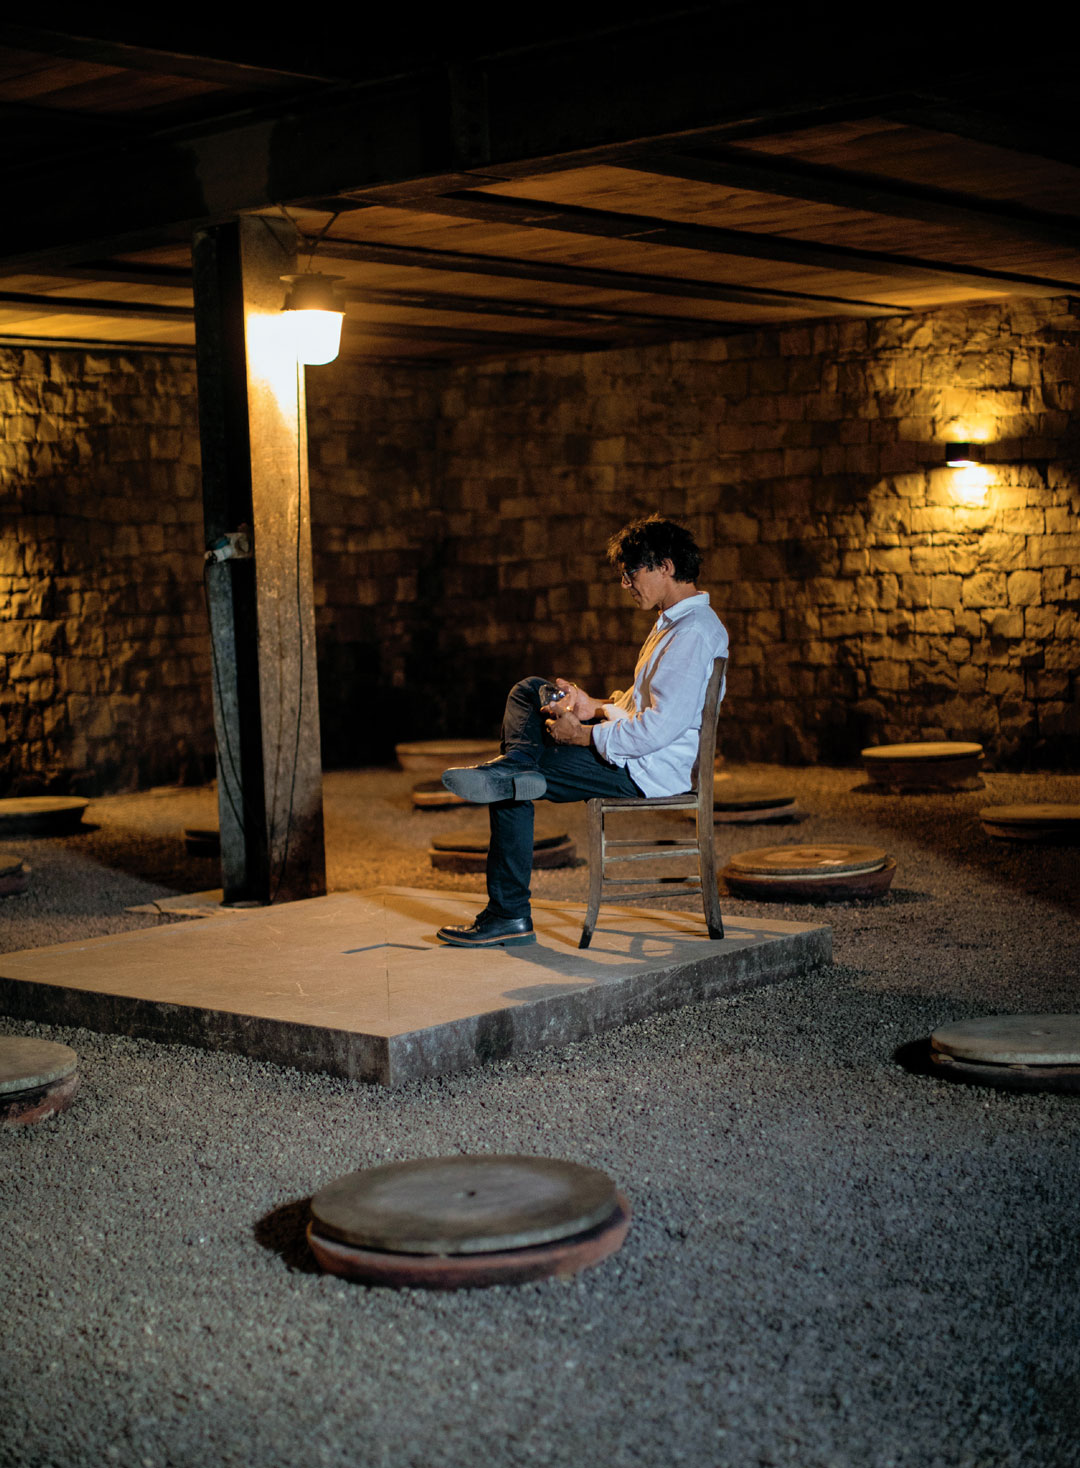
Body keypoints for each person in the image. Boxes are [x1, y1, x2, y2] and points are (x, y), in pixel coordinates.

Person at [437, 515, 729, 947]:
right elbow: (640, 705)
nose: (626, 585)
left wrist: (585, 735)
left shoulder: (694, 633)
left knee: (511, 785)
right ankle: (513, 764)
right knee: (530, 691)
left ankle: (508, 914)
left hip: (643, 770)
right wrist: (592, 705)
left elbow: (658, 730)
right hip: (634, 753)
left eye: (631, 574)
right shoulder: (674, 626)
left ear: (665, 566)